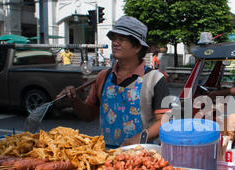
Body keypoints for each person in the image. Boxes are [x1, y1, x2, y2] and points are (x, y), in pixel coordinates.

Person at [57, 16, 170, 147]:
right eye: (114, 39)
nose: (115, 43)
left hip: (141, 156)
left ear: (137, 47)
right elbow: (88, 115)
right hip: (105, 156)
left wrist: (138, 139)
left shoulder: (155, 79)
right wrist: (75, 100)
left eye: (121, 39)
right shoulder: (103, 76)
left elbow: (164, 121)